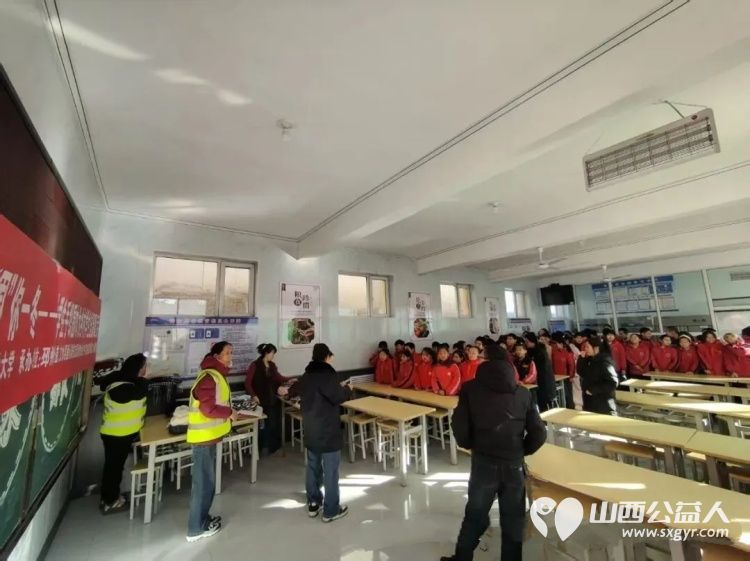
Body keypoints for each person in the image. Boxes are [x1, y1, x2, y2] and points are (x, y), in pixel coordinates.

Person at [442, 344, 546, 561]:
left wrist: (469, 444)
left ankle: (462, 558)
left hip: (483, 463)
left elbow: (459, 425)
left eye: (481, 356)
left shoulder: (470, 389)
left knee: (475, 515)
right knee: (513, 520)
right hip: (513, 464)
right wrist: (520, 450)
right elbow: (539, 433)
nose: (478, 359)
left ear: (487, 361)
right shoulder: (523, 393)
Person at [288, 344, 352, 522]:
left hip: (311, 428)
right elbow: (337, 396)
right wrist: (347, 389)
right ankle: (331, 511)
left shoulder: (307, 374)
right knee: (330, 471)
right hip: (328, 430)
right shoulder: (328, 374)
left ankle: (313, 503)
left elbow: (295, 390)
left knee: (312, 467)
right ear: (326, 357)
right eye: (330, 356)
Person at [187, 341, 239, 542]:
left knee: (207, 483)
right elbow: (207, 409)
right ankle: (196, 528)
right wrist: (229, 412)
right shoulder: (210, 377)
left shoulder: (217, 375)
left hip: (209, 437)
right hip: (203, 438)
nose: (230, 357)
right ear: (217, 356)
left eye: (231, 353)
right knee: (203, 485)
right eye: (227, 353)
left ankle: (203, 519)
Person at [99, 353, 148, 514]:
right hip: (119, 435)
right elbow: (141, 391)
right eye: (144, 366)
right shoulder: (126, 388)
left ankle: (108, 497)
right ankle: (111, 501)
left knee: (112, 467)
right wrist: (143, 379)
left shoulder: (117, 381)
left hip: (113, 433)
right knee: (114, 469)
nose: (146, 369)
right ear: (138, 369)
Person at [245, 343, 290, 456]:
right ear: (266, 353)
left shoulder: (272, 365)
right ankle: (259, 448)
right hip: (259, 400)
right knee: (260, 425)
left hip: (270, 399)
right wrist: (253, 395)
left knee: (271, 423)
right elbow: (247, 383)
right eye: (272, 353)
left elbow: (278, 377)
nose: (273, 356)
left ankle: (271, 447)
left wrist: (289, 379)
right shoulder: (255, 365)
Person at [577, 336, 618, 415]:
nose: (585, 349)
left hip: (603, 403)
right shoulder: (591, 359)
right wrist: (581, 359)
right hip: (591, 401)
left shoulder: (604, 362)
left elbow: (613, 382)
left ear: (596, 348)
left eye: (587, 347)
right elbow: (581, 372)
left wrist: (593, 390)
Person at [524, 333, 557, 411]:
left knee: (545, 402)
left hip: (544, 380)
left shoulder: (540, 352)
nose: (526, 343)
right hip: (537, 381)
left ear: (533, 341)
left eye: (528, 341)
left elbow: (542, 368)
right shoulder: (531, 351)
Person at [550, 333, 575, 408]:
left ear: (560, 343)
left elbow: (571, 364)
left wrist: (571, 376)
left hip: (566, 377)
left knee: (568, 395)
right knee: (559, 395)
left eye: (556, 343)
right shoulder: (553, 352)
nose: (554, 345)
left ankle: (570, 408)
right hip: (556, 377)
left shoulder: (566, 351)